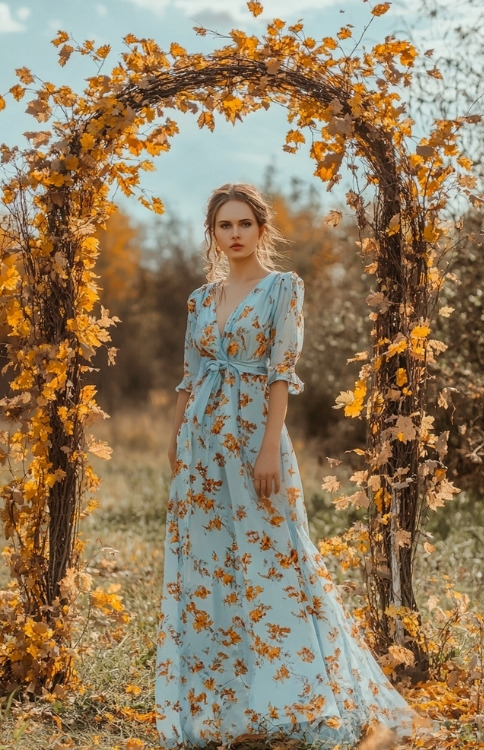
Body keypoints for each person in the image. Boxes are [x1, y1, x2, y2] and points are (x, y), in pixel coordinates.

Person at [155, 184, 418, 748]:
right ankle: (228, 707)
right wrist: (175, 437)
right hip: (202, 446)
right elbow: (189, 374)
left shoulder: (282, 289)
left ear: (261, 229)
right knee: (211, 566)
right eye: (224, 225)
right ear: (213, 234)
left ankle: (303, 695)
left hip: (255, 438)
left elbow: (281, 372)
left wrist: (269, 445)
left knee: (279, 557)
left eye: (244, 223)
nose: (235, 234)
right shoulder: (201, 300)